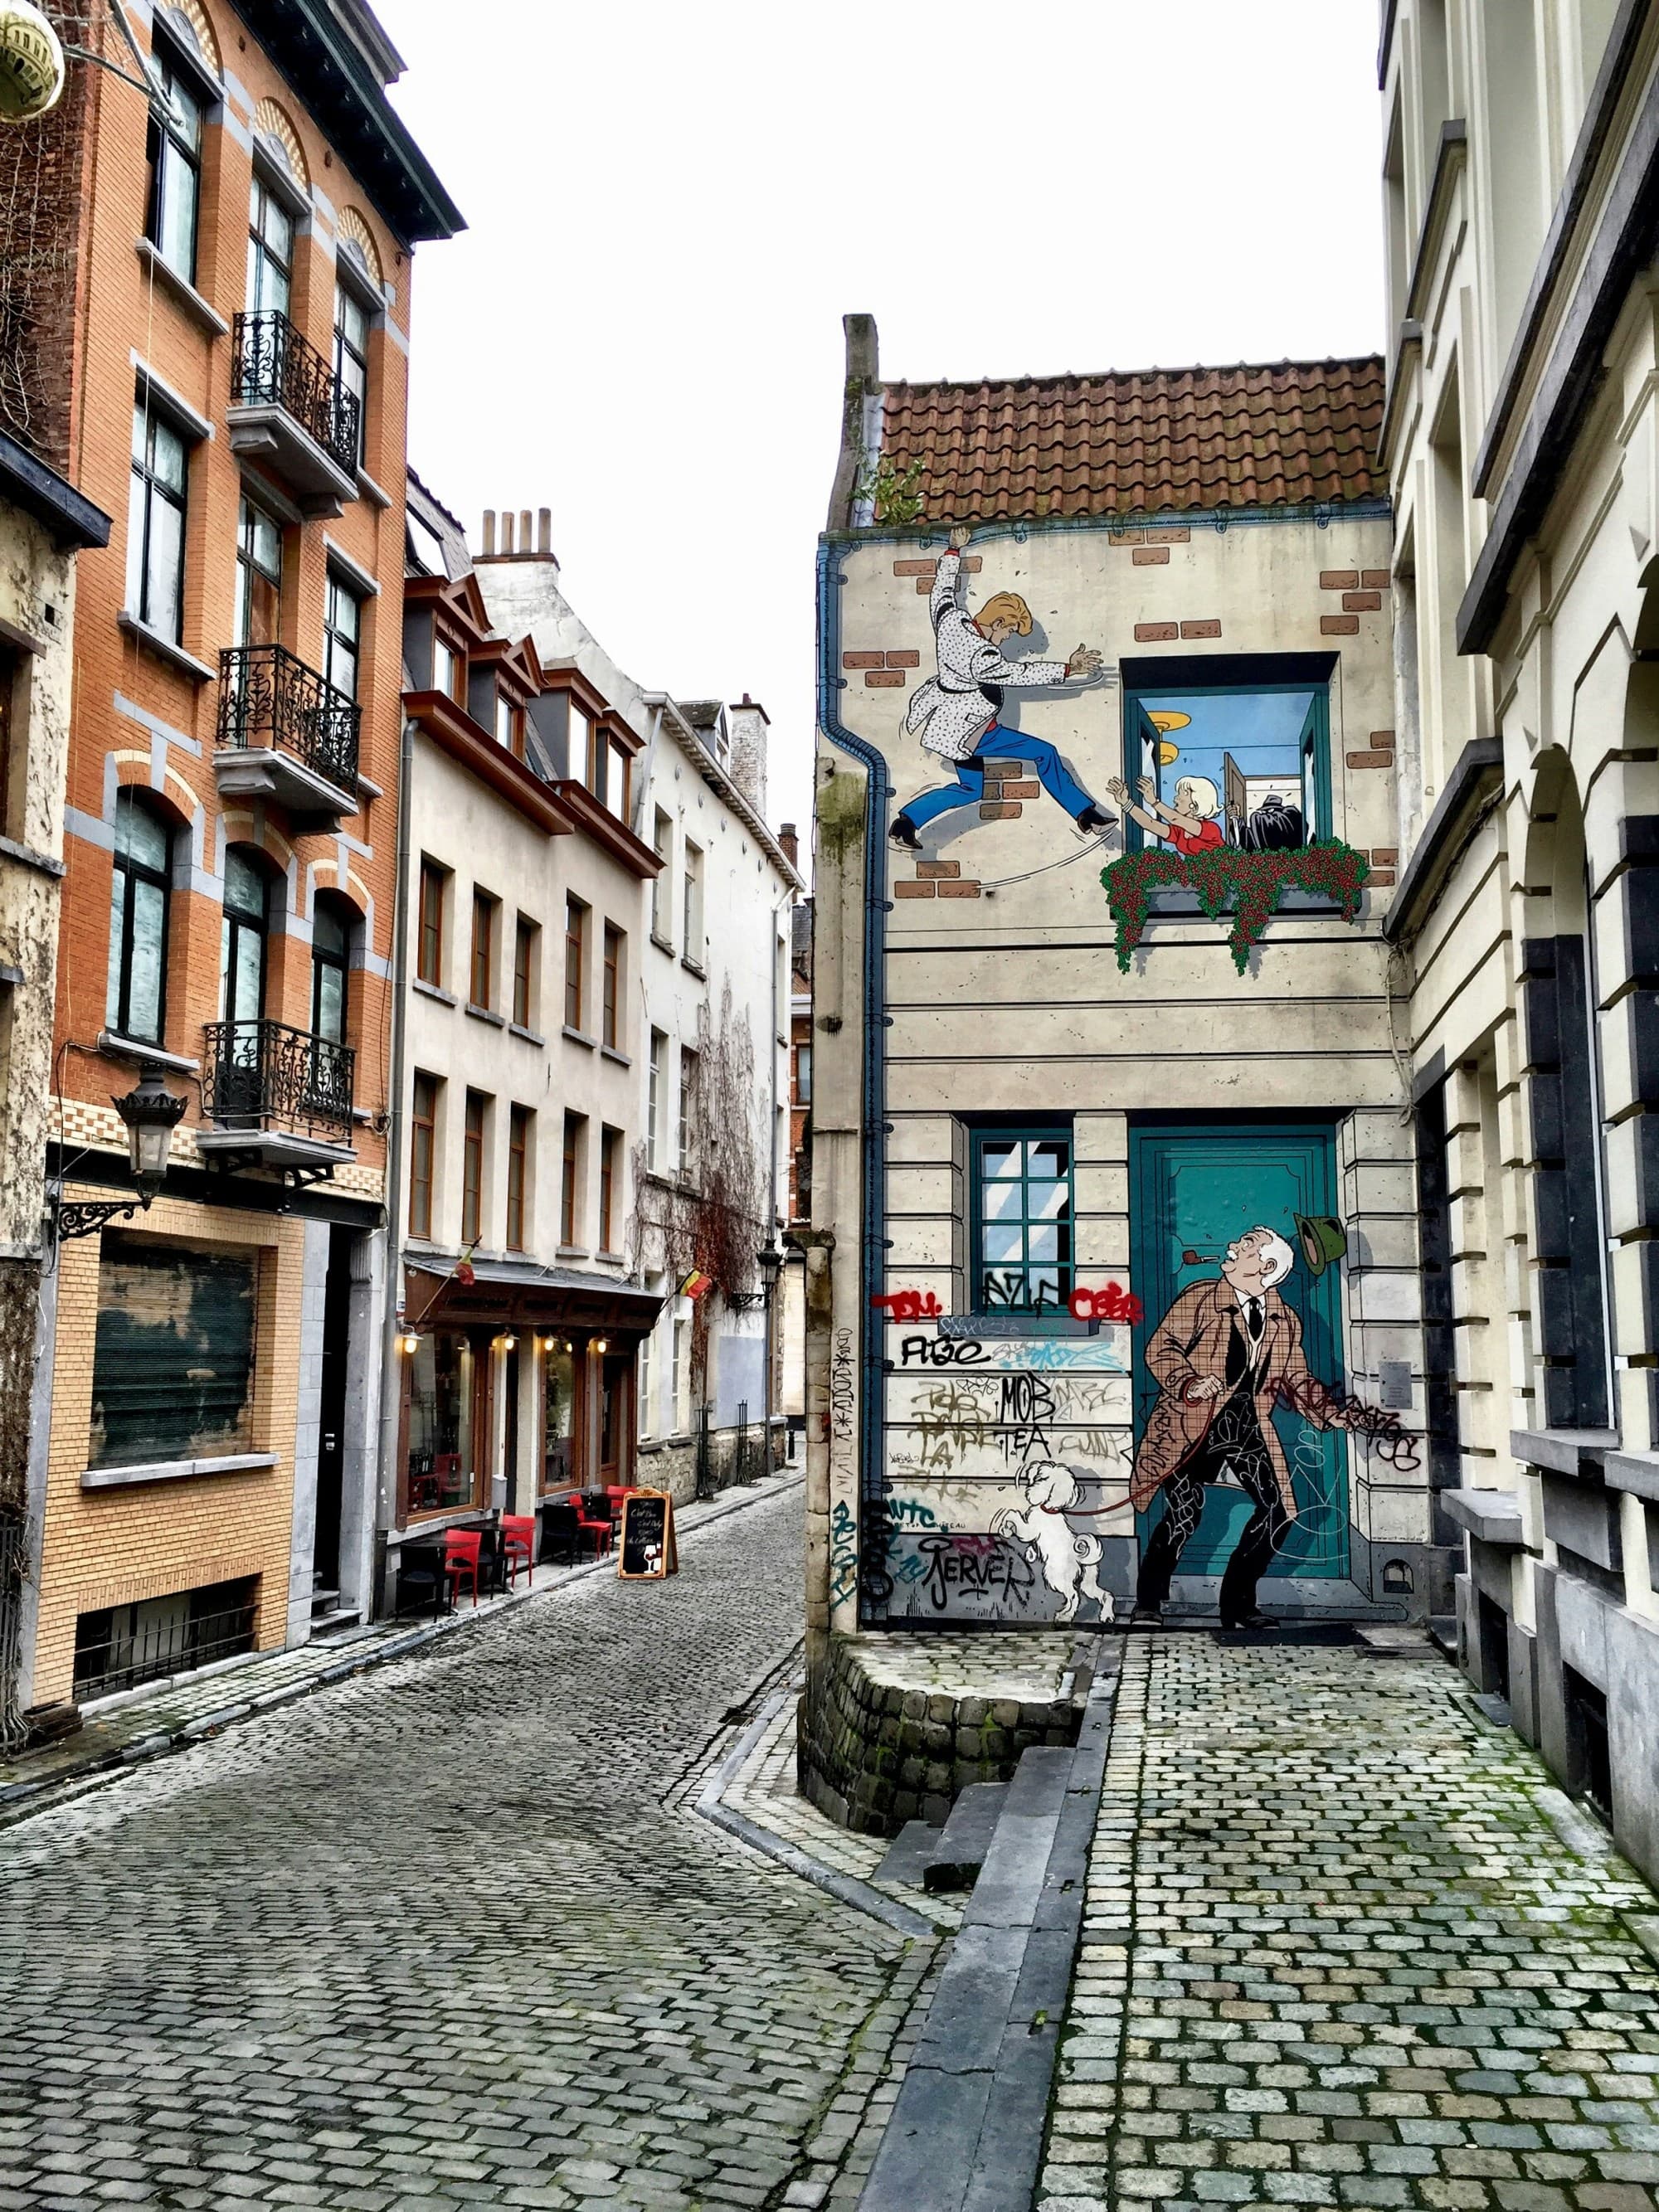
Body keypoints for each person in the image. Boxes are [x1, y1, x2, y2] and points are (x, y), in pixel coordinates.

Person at [1128, 1227, 1355, 1631]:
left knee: (1280, 1512)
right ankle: (1148, 1603)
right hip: (1190, 1422)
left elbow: (1295, 1377)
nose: (1233, 1246)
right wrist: (1188, 1383)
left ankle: (1238, 1606)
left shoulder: (1284, 1320)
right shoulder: (1200, 1296)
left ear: (1267, 1267)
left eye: (1247, 1246)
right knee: (1184, 1514)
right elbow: (1161, 1347)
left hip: (1247, 1423)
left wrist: (1331, 1413)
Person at [891, 526, 1117, 848]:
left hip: (953, 726)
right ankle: (1086, 815)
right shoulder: (981, 654)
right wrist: (1068, 668)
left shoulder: (951, 621)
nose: (1009, 637)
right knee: (1045, 753)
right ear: (998, 623)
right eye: (1010, 630)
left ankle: (906, 823)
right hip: (976, 732)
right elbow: (1019, 673)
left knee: (971, 789)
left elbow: (941, 594)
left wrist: (953, 551)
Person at [1106, 771, 1225, 854]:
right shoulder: (1179, 832)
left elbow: (1175, 819)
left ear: (1195, 803)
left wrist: (1153, 801)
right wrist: (1126, 802)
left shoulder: (1211, 829)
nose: (1175, 799)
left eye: (1181, 794)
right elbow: (1150, 824)